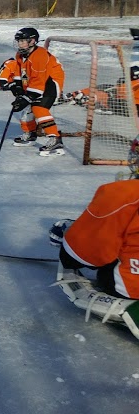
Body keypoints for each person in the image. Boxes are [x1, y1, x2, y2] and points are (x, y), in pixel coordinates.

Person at [48, 136, 139, 340]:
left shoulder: (123, 195)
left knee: (85, 239)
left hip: (130, 287)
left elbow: (82, 254)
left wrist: (68, 242)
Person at [9, 27, 66, 156]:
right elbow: (19, 71)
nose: (20, 44)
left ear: (32, 41)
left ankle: (55, 139)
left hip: (50, 82)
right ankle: (30, 134)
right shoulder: (20, 54)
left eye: (23, 41)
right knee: (27, 110)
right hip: (35, 82)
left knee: (38, 108)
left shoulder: (40, 55)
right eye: (19, 41)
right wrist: (18, 87)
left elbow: (39, 80)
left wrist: (27, 97)